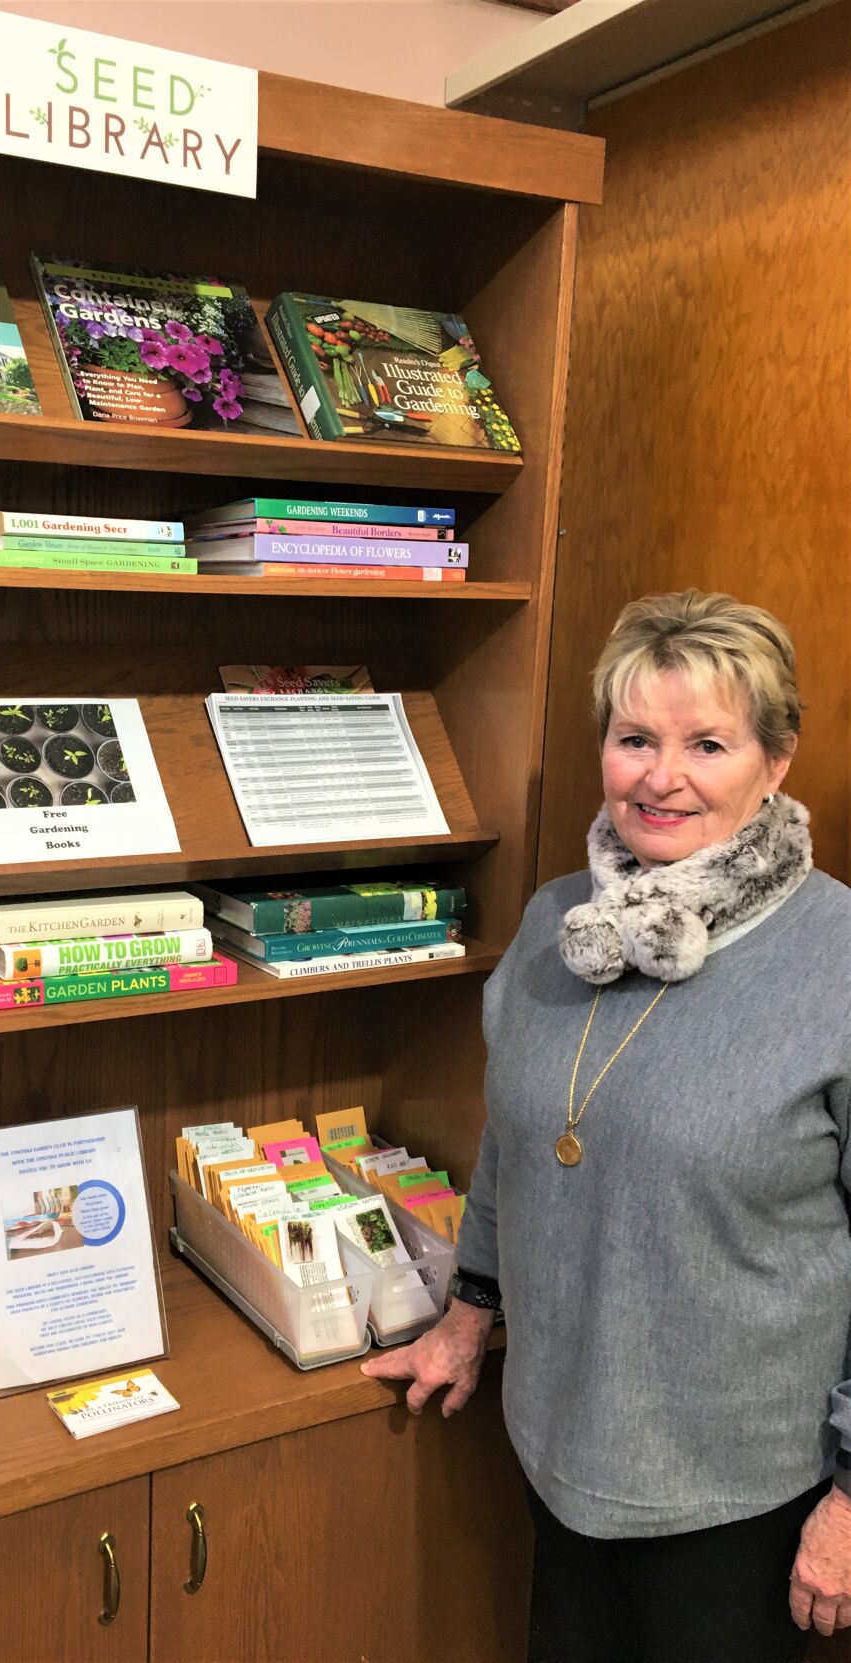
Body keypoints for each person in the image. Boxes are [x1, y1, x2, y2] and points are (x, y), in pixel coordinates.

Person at [362, 590, 851, 1662]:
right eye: (633, 738)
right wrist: (468, 1311)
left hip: (741, 1495)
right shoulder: (554, 927)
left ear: (774, 761)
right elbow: (516, 1145)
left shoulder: (838, 959)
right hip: (553, 1449)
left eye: (705, 742)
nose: (657, 775)